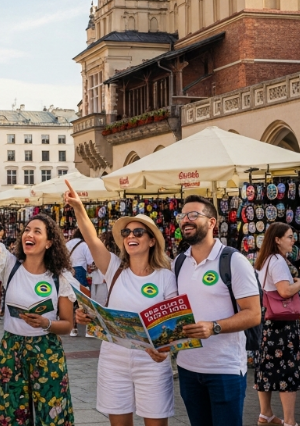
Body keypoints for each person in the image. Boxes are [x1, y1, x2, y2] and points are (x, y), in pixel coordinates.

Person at [0, 178, 75, 425]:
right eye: (27, 230)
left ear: (49, 242)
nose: (29, 234)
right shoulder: (9, 266)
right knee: (11, 416)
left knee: (52, 417)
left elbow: (67, 324)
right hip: (11, 350)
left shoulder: (60, 278)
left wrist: (46, 322)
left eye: (37, 231)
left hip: (47, 350)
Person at [66, 181, 175, 426]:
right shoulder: (114, 268)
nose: (130, 236)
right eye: (127, 233)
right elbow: (91, 238)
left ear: (151, 241)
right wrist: (78, 207)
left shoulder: (166, 277)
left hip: (151, 359)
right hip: (114, 358)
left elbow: (173, 325)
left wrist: (166, 347)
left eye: (138, 232)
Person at [173, 195, 262, 426]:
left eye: (194, 215)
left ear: (212, 222)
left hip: (225, 369)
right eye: (182, 216)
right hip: (187, 366)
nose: (186, 220)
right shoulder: (179, 263)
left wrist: (214, 327)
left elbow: (253, 314)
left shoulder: (234, 261)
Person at [253, 223, 300, 426]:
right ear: (277, 239)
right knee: (287, 371)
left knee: (266, 368)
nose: (293, 241)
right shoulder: (277, 261)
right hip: (283, 325)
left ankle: (265, 414)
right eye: (289, 237)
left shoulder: (266, 260)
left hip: (268, 323)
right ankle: (290, 421)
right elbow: (284, 291)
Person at [65, 227, 94, 337]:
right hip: (80, 273)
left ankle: (73, 329)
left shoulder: (67, 244)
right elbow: (91, 262)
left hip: (68, 273)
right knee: (85, 301)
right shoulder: (84, 245)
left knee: (71, 301)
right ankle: (88, 330)